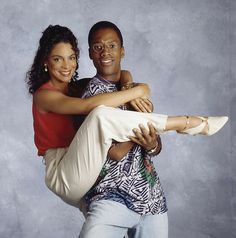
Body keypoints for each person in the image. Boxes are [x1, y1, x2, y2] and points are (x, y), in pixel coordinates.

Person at [26, 24, 228, 215]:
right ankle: (187, 123)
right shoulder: (44, 96)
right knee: (100, 115)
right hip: (63, 173)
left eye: (71, 58)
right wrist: (140, 90)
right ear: (45, 61)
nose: (66, 65)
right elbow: (89, 106)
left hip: (85, 164)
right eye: (57, 59)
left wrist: (129, 85)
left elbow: (121, 73)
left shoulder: (75, 87)